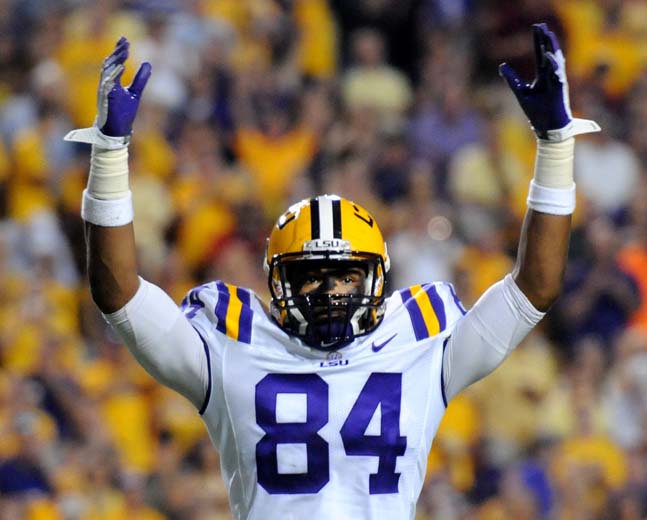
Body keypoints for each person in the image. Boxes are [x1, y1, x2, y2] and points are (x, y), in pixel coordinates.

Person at [64, 25, 599, 520]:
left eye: (344, 275)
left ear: (376, 278)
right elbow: (119, 295)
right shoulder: (232, 339)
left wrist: (554, 147)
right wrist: (109, 154)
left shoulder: (418, 336)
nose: (328, 290)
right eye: (309, 276)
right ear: (277, 281)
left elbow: (535, 288)